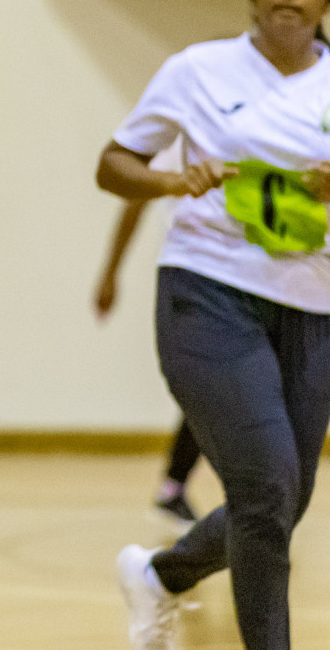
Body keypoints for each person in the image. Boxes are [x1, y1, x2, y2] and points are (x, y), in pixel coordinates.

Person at [96, 0, 330, 650]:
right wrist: (175, 178)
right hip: (207, 291)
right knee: (265, 490)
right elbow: (113, 165)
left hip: (311, 310)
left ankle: (162, 577)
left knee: (280, 500)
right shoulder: (197, 71)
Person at [93, 142, 204, 531]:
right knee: (212, 387)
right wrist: (110, 273)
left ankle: (178, 488)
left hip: (240, 283)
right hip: (190, 279)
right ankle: (175, 490)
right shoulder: (179, 138)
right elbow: (133, 202)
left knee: (221, 390)